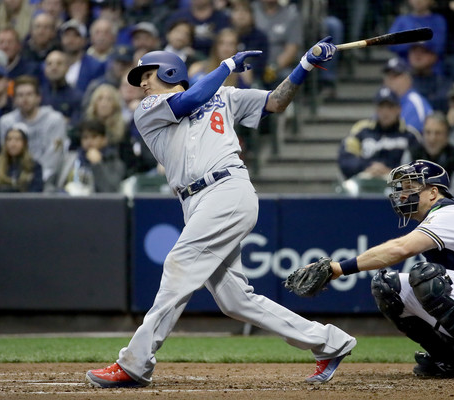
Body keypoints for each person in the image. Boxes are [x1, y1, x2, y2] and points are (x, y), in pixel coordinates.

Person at [86, 39, 357, 388]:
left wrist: (305, 64)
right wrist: (227, 66)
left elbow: (275, 101)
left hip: (227, 189)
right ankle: (329, 343)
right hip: (195, 201)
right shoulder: (149, 108)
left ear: (170, 71)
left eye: (148, 74)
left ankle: (134, 364)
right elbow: (189, 100)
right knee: (235, 300)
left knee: (178, 265)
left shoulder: (225, 96)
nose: (141, 82)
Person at [320, 159, 454, 378]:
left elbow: (401, 248)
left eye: (411, 187)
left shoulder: (450, 214)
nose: (404, 194)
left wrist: (340, 268)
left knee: (427, 276)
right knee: (387, 286)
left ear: (433, 192)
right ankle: (449, 359)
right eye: (403, 188)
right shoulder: (441, 215)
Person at [338, 87, 421, 183]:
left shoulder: (410, 135)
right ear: (376, 109)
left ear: (399, 109)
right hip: (364, 183)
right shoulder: (361, 131)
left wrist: (392, 172)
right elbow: (346, 159)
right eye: (381, 107)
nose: (385, 112)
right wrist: (367, 167)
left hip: (399, 187)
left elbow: (419, 165)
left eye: (390, 107)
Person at [0, 75, 68, 183]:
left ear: (38, 97)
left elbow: (53, 160)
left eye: (29, 94)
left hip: (47, 181)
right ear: (14, 99)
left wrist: (36, 180)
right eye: (20, 95)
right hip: (15, 179)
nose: (25, 99)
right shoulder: (6, 122)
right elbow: (6, 157)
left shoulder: (54, 120)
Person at [46, 118, 125, 194]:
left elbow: (111, 191)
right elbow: (49, 185)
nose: (89, 141)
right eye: (85, 137)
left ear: (104, 140)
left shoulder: (114, 163)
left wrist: (97, 165)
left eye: (94, 137)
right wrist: (58, 193)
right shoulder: (68, 158)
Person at [405, 112, 454, 194]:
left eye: (438, 133)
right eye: (428, 132)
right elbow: (406, 189)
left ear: (447, 136)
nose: (432, 139)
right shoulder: (411, 154)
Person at [0, 123, 43, 192]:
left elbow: (36, 193)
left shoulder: (34, 166)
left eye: (17, 140)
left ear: (25, 143)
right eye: (9, 139)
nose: (13, 144)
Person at [188, 28, 253, 89]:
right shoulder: (197, 68)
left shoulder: (244, 72)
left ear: (237, 47)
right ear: (216, 46)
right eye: (222, 43)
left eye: (231, 44)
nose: (226, 47)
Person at [383, 57, 433, 133]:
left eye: (395, 76)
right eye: (388, 75)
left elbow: (406, 137)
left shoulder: (414, 102)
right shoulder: (384, 102)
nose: (390, 80)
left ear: (408, 78)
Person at [40, 50, 84, 132]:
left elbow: (75, 126)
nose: (54, 67)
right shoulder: (39, 95)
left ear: (67, 68)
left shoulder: (77, 96)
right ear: (45, 70)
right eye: (49, 64)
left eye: (59, 64)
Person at [59, 19, 105, 93]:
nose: (70, 40)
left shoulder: (95, 66)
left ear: (84, 40)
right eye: (67, 35)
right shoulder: (53, 63)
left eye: (76, 35)